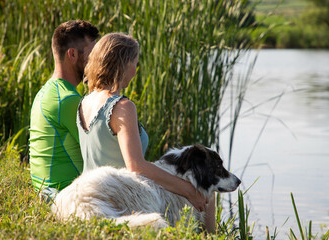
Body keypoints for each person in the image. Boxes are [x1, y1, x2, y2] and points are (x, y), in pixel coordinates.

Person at [78, 33, 215, 232]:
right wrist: (189, 191)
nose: (136, 69)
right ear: (123, 64)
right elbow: (136, 166)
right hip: (121, 195)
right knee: (207, 192)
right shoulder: (122, 106)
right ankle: (212, 237)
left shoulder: (85, 101)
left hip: (92, 192)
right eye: (135, 62)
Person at [29, 20, 100, 198]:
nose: (97, 62)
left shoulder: (46, 92)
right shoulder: (68, 100)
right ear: (73, 54)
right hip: (62, 197)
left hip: (46, 193)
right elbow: (101, 153)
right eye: (92, 55)